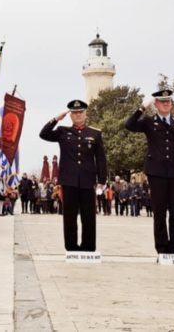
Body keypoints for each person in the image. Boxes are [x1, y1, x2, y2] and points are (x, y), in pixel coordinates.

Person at [124, 89, 174, 254]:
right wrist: (142, 108)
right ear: (156, 104)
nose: (166, 104)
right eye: (162, 101)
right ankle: (162, 249)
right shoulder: (149, 121)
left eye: (168, 101)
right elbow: (129, 125)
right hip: (156, 173)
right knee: (160, 213)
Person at [39, 99, 108, 252]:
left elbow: (101, 159)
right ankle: (71, 249)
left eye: (80, 112)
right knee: (69, 217)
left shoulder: (95, 134)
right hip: (68, 181)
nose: (78, 115)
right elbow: (43, 134)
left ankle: (88, 249)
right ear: (70, 115)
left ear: (86, 113)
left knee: (88, 217)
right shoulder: (63, 132)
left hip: (88, 181)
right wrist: (56, 119)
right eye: (74, 112)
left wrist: (102, 180)